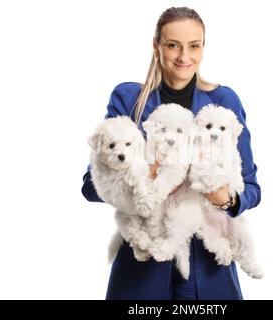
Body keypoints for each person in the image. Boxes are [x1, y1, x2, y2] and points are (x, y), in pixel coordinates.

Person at [81, 7, 261, 300]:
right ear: (156, 46)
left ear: (204, 47)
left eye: (194, 45)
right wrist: (145, 176)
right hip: (142, 269)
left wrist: (228, 199)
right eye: (173, 45)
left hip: (208, 271)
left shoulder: (223, 101)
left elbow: (252, 188)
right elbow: (91, 185)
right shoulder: (128, 100)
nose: (183, 57)